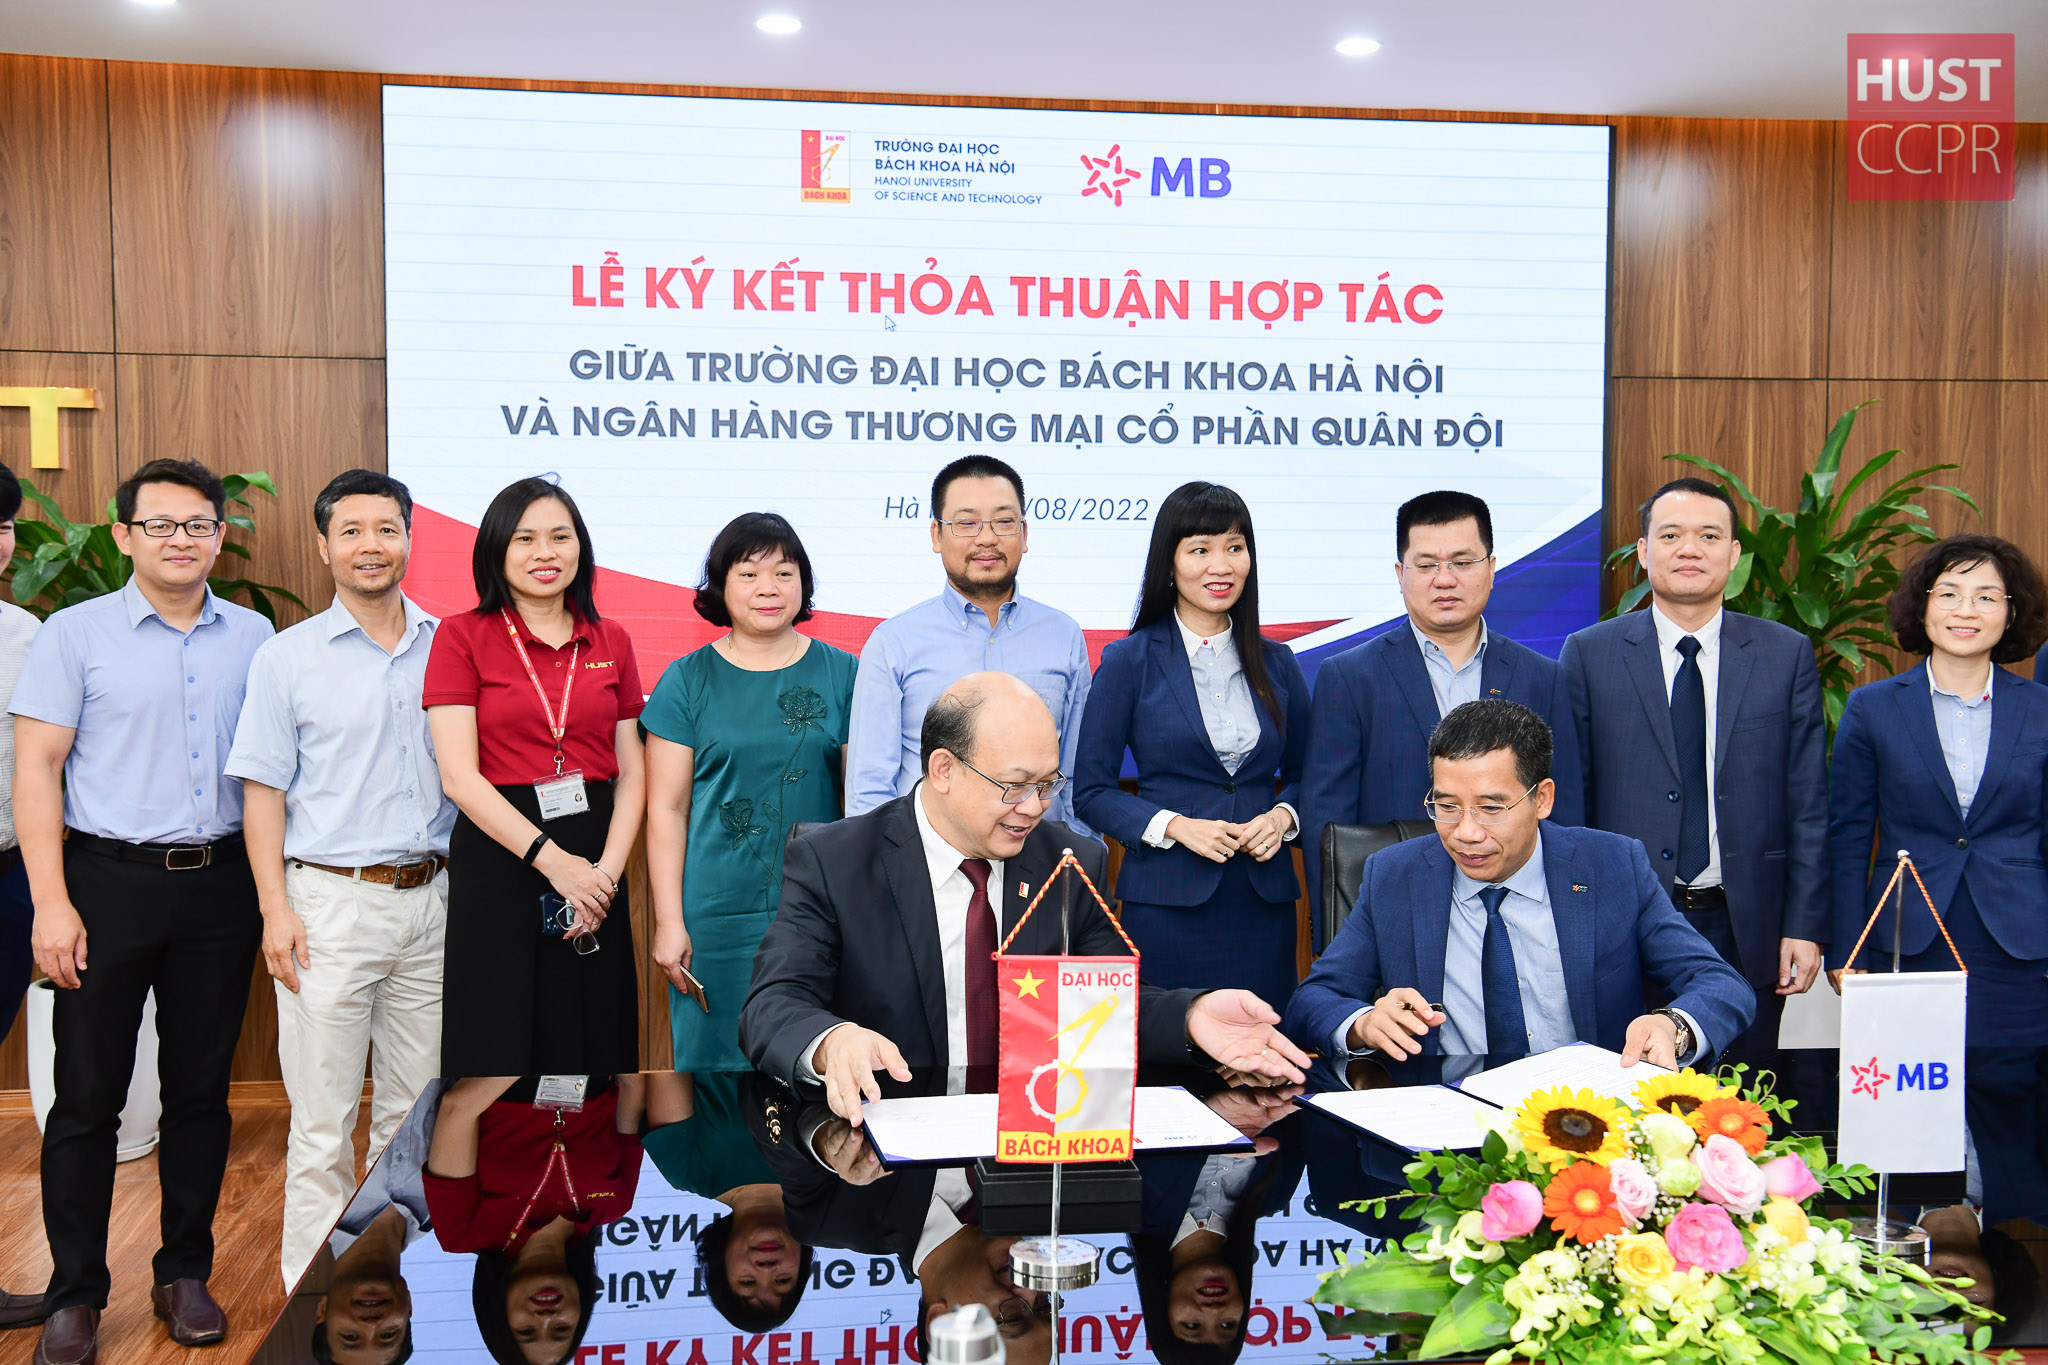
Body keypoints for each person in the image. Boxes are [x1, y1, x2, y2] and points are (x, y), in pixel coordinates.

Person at [739, 670, 1313, 1118]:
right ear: (943, 769)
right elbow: (772, 1006)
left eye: (1047, 784)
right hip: (885, 1161)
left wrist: (1190, 1017)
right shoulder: (836, 862)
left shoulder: (1069, 863)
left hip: (1032, 1148)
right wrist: (830, 1041)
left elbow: (1107, 1003)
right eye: (1014, 787)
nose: (1035, 807)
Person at [12, 458, 274, 1363]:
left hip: (221, 886)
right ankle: (76, 1293)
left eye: (197, 524)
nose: (180, 539)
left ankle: (183, 1272)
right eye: (159, 524)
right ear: (124, 535)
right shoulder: (73, 633)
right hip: (105, 884)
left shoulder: (254, 636)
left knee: (201, 1092)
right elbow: (37, 769)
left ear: (219, 535)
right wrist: (51, 901)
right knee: (86, 1098)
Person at [226, 469, 457, 1289]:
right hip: (327, 904)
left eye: (387, 528)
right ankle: (309, 1297)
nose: (371, 545)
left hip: (432, 900)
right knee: (323, 1123)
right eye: (351, 530)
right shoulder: (286, 658)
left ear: (409, 539)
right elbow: (262, 792)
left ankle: (399, 1290)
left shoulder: (449, 646)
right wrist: (274, 909)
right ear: (324, 546)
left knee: (411, 1117)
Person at [1284, 699, 1754, 1067]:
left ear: (1542, 799)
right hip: (1448, 1119)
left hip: (1585, 1117)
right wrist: (1365, 1024)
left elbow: (1721, 984)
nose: (1466, 832)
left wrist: (1673, 1026)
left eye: (1491, 808)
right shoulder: (1395, 875)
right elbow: (1313, 1000)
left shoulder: (1612, 866)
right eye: (1447, 806)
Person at [1559, 476, 1827, 1074]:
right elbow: (1571, 802)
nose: (1689, 549)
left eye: (1709, 536)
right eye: (1671, 535)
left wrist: (1804, 926)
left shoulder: (1784, 655)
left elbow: (1807, 802)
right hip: (1623, 925)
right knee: (1622, 1102)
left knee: (1740, 1105)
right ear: (1643, 551)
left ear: (1734, 555)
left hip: (1747, 926)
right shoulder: (1589, 654)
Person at [1828, 533, 2048, 1225]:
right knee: (1909, 1091)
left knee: (2009, 1090)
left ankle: (2012, 1242)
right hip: (1909, 933)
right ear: (1922, 607)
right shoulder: (1873, 707)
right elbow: (1847, 836)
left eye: (1986, 596)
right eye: (1949, 593)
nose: (1966, 610)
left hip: (2018, 938)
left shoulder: (2041, 709)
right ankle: (1915, 1235)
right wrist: (1847, 949)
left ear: (2011, 612)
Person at [424, 477, 646, 1077]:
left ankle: (589, 1145)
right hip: (503, 852)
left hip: (596, 855)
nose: (544, 553)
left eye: (559, 537)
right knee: (498, 1038)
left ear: (581, 548)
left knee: (593, 1030)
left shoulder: (611, 638)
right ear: (496, 549)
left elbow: (632, 773)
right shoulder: (461, 636)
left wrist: (604, 877)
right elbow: (458, 778)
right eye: (524, 539)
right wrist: (555, 864)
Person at [1300, 490, 1582, 933]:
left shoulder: (1541, 678)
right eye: (1427, 565)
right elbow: (1328, 822)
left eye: (1462, 562)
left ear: (1491, 568)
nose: (1445, 579)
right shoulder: (1350, 677)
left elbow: (1565, 813)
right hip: (1396, 913)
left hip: (1519, 914)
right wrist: (1340, 933)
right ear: (1400, 574)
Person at [1074, 482, 1311, 1007]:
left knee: (1266, 1043)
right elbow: (1089, 791)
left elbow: (1310, 778)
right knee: (1171, 1042)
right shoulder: (1129, 661)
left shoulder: (1279, 663)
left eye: (1234, 547)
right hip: (1167, 903)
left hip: (1263, 906)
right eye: (1200, 549)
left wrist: (1282, 819)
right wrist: (1176, 827)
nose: (1220, 566)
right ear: (1171, 562)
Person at [643, 514, 857, 1072]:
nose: (769, 588)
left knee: (812, 1063)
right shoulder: (686, 679)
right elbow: (666, 809)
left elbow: (861, 803)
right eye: (748, 574)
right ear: (720, 585)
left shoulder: (844, 674)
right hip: (714, 914)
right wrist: (670, 922)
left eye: (784, 573)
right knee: (716, 1070)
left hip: (819, 909)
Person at [845, 455, 1093, 833]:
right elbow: (870, 787)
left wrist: (1078, 852)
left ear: (1024, 533)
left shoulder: (1063, 636)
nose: (987, 538)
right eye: (966, 523)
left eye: (1004, 522)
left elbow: (1076, 775)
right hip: (924, 857)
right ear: (936, 535)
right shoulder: (894, 643)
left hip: (1039, 851)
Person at [423, 1075, 644, 1365]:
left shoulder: (462, 1232)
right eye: (561, 1329)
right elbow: (632, 1087)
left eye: (526, 1330)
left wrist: (534, 1055)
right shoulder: (615, 1204)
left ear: (497, 1314)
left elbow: (457, 1109)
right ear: (581, 1312)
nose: (546, 1318)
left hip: (497, 1062)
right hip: (595, 1056)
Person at [639, 1070, 815, 1331]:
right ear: (801, 1265)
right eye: (782, 1280)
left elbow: (664, 1056)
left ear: (722, 1266)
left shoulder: (686, 1169)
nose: (767, 1269)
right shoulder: (828, 1173)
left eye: (748, 1282)